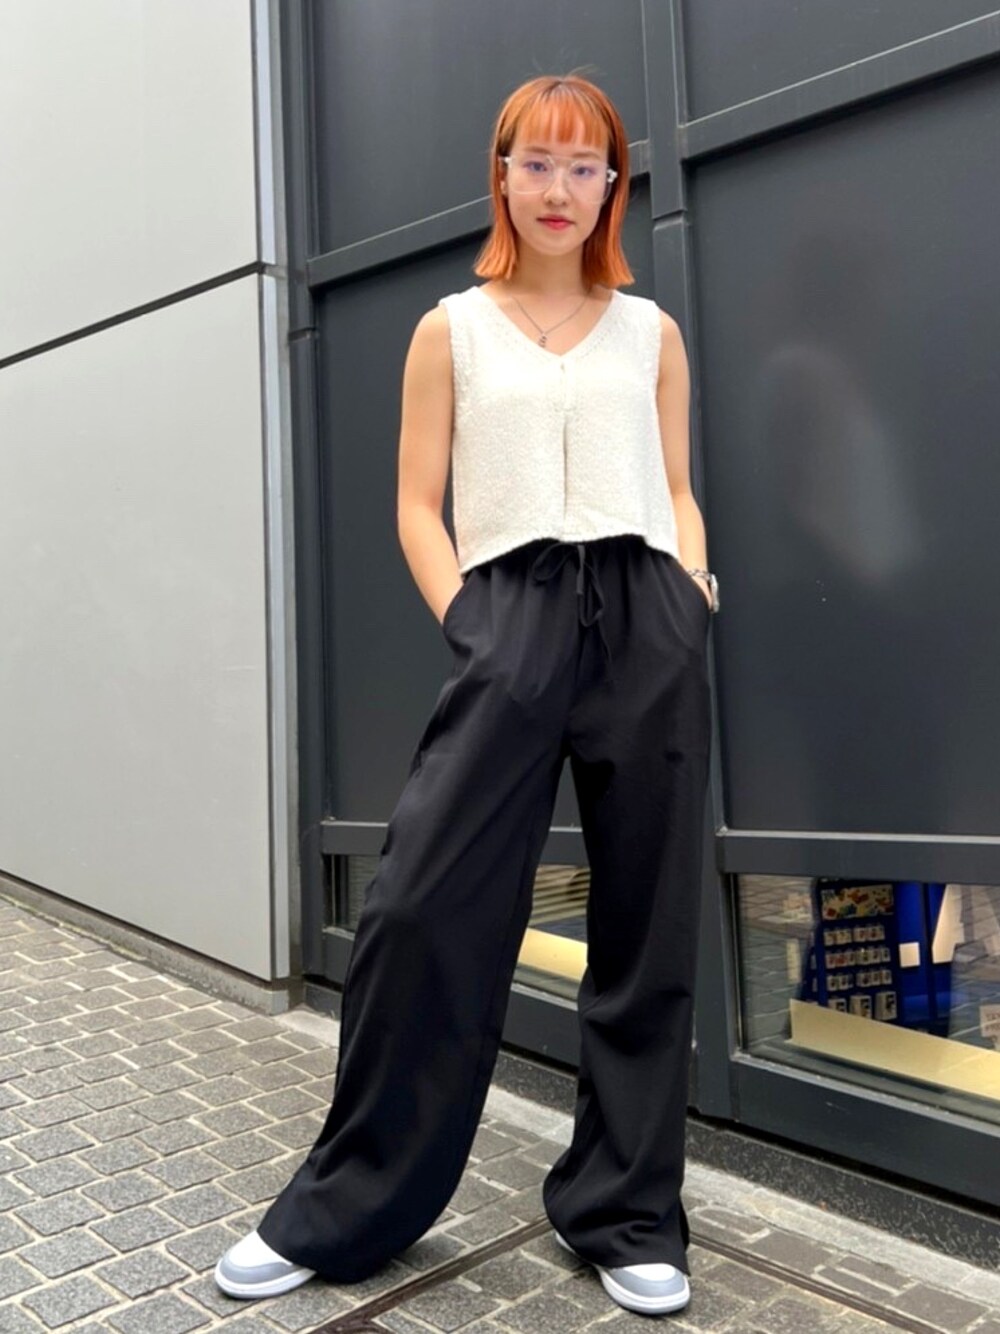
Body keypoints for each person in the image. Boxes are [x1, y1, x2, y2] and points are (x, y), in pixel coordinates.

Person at [215, 72, 718, 1317]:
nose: (560, 188)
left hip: (647, 614)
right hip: (510, 612)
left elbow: (675, 483)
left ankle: (623, 1209)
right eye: (536, 162)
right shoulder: (451, 328)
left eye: (586, 166)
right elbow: (413, 501)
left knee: (645, 923)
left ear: (613, 185)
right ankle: (348, 1204)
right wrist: (470, 624)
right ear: (500, 174)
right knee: (420, 906)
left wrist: (693, 590)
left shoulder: (651, 333)